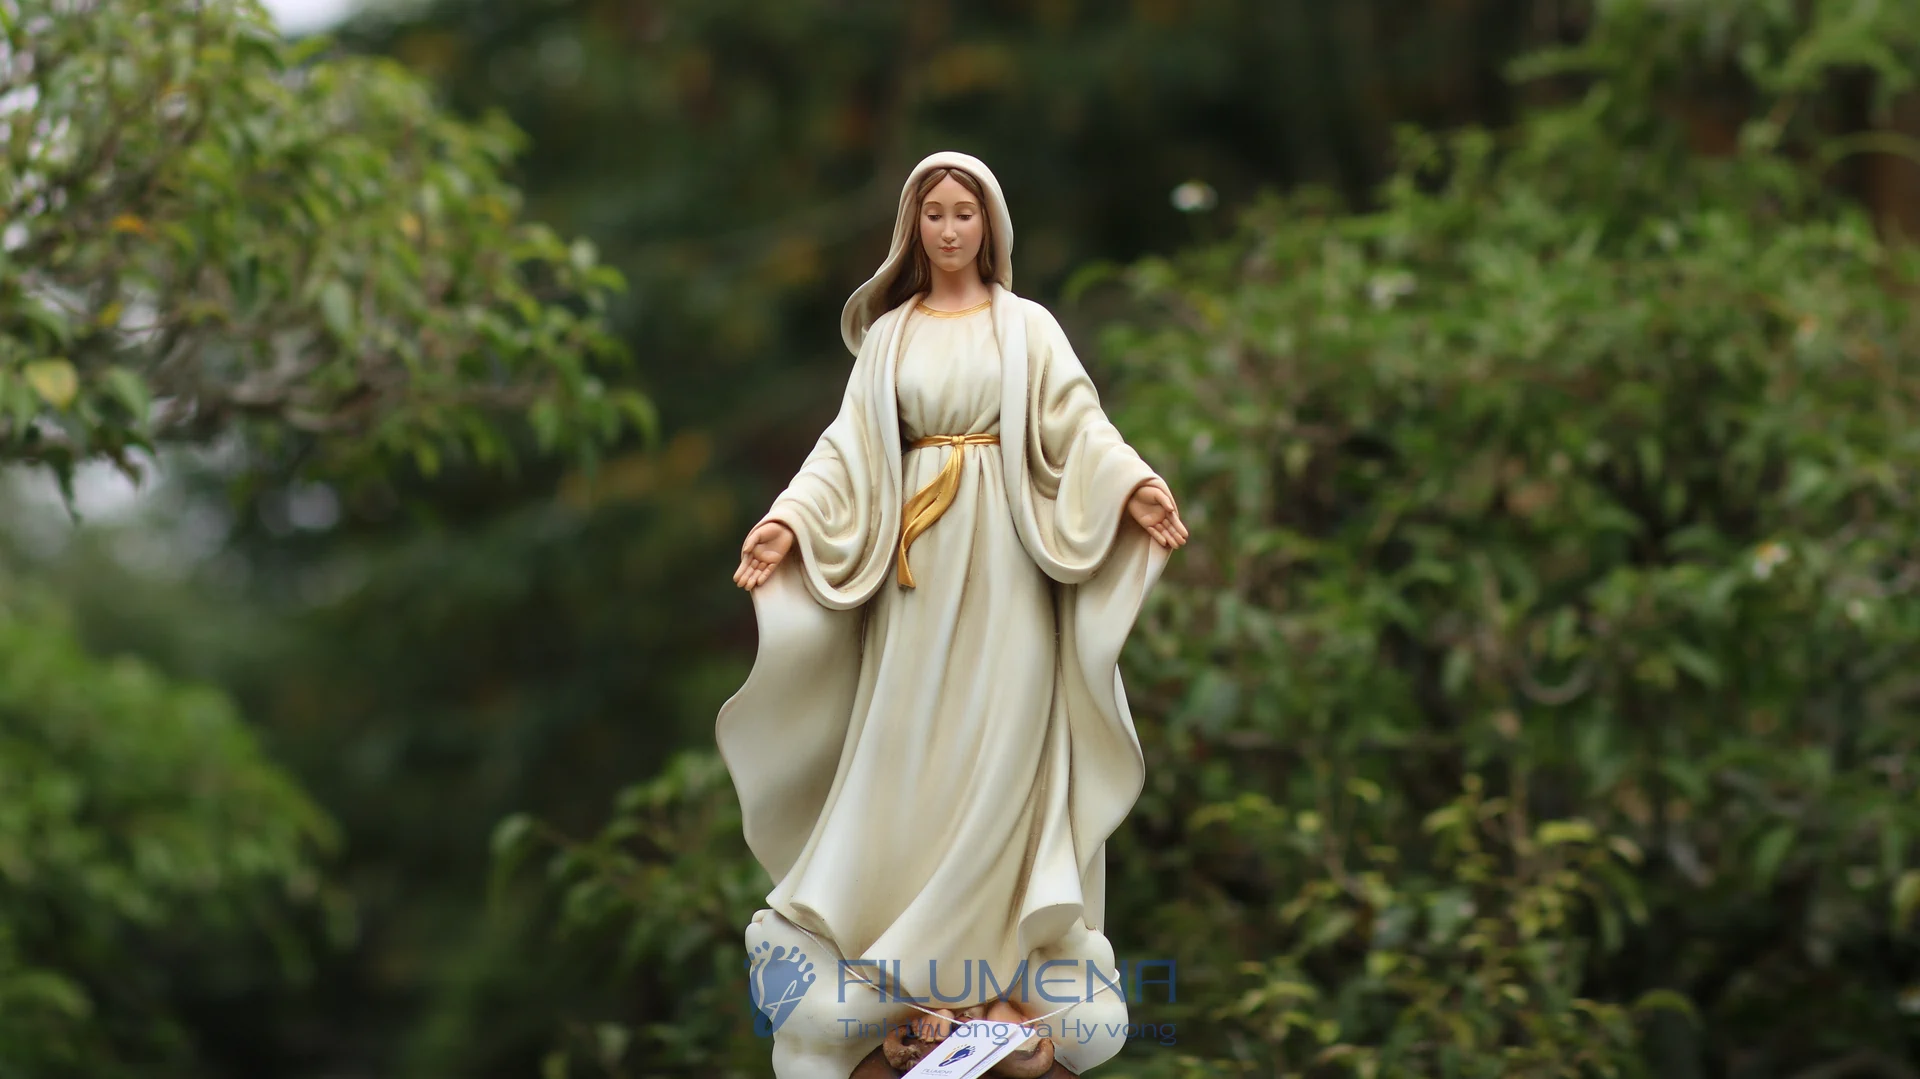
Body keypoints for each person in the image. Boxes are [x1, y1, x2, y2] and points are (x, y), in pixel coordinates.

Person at [720, 151, 1187, 1078]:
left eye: (963, 213)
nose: (948, 229)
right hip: (914, 578)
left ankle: (995, 972)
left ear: (989, 225)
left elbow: (1079, 425)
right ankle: (902, 965)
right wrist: (788, 521)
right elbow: (845, 451)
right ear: (913, 226)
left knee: (1005, 740)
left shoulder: (1027, 327)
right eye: (933, 213)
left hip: (1007, 561)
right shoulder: (891, 338)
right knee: (908, 743)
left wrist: (1132, 484)